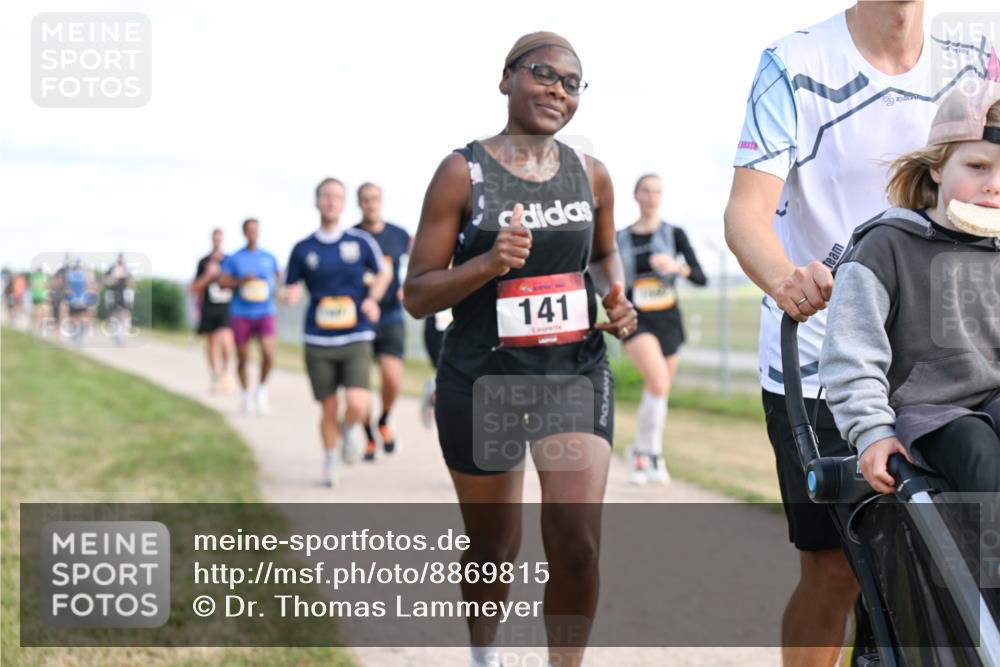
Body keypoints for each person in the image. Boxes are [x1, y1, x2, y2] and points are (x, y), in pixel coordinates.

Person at [723, 3, 999, 664]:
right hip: (833, 354)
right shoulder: (793, 63)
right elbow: (745, 212)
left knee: (957, 563)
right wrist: (788, 279)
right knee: (842, 571)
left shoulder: (978, 49)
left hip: (954, 360)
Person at [403, 32, 636, 667]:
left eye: (571, 82)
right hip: (483, 379)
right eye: (542, 73)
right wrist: (486, 264)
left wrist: (616, 296)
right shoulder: (463, 172)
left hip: (574, 373)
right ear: (505, 79)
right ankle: (486, 653)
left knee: (577, 542)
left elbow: (608, 253)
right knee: (491, 548)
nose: (557, 89)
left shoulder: (591, 174)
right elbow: (417, 293)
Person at [822, 82, 1000, 495]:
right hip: (927, 413)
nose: (993, 185)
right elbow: (852, 355)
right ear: (937, 168)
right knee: (976, 447)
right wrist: (871, 431)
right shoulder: (886, 245)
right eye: (977, 166)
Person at [285, 177, 391, 486]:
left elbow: (383, 274)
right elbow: (288, 287)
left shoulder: (360, 242)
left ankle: (348, 430)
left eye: (337, 197)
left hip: (356, 335)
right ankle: (330, 460)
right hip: (318, 339)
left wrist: (372, 300)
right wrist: (287, 295)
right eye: (326, 196)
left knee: (358, 402)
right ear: (316, 202)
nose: (331, 201)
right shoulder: (303, 249)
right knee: (328, 406)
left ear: (344, 205)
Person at [618, 174, 706, 485]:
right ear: (636, 195)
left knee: (660, 390)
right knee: (656, 381)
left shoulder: (675, 234)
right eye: (646, 191)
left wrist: (676, 267)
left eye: (657, 191)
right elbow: (605, 278)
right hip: (636, 320)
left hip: (668, 318)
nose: (652, 197)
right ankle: (653, 453)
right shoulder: (621, 238)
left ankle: (638, 452)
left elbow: (700, 277)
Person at [354, 182, 412, 459]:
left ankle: (383, 421)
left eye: (375, 199)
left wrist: (409, 285)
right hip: (359, 319)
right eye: (365, 200)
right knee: (360, 385)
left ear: (381, 201)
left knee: (391, 378)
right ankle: (368, 438)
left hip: (391, 315)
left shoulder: (399, 235)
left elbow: (425, 258)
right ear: (359, 203)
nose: (370, 204)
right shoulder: (351, 237)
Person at [218, 219, 281, 416]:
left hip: (265, 311)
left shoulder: (269, 257)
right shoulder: (235, 258)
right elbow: (222, 282)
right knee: (243, 356)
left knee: (269, 354)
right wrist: (241, 281)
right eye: (249, 230)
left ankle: (261, 390)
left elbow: (281, 279)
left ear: (259, 232)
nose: (253, 233)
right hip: (241, 313)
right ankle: (246, 396)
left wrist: (280, 291)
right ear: (244, 232)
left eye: (255, 230)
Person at [191, 228, 236, 393]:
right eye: (215, 239)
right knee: (211, 342)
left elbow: (235, 282)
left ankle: (225, 372)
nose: (217, 241)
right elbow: (194, 287)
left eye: (220, 239)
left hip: (226, 307)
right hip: (209, 307)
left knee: (226, 340)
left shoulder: (230, 260)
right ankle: (214, 376)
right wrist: (209, 276)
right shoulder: (203, 262)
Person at [419, 307, 452, 429]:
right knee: (445, 374)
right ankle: (433, 396)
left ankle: (432, 394)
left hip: (464, 325)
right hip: (439, 327)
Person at [103, 253, 134, 346]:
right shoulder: (112, 268)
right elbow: (105, 279)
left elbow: (130, 281)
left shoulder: (125, 268)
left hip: (123, 295)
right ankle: (115, 336)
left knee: (125, 315)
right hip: (113, 295)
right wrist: (112, 280)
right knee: (114, 316)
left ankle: (122, 337)